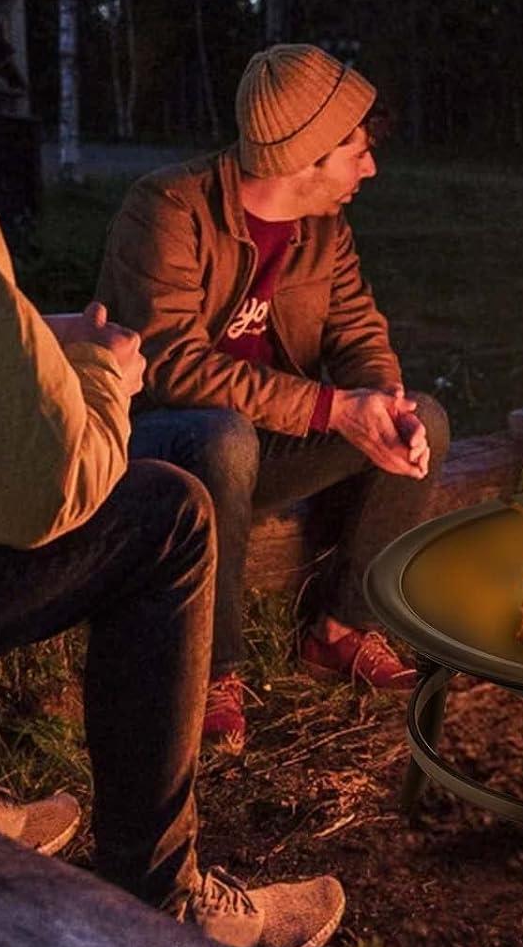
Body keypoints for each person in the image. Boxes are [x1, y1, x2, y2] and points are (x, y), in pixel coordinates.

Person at [0, 18, 344, 947]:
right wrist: (99, 380)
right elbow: (43, 483)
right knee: (166, 514)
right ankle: (161, 907)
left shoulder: (326, 233)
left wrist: (362, 400)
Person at [96, 44, 450, 752]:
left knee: (428, 423)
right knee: (224, 436)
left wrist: (381, 396)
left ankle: (342, 627)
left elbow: (357, 331)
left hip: (258, 445)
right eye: (356, 151)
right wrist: (331, 410)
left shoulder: (325, 230)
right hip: (157, 448)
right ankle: (208, 673)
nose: (370, 167)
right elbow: (171, 367)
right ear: (306, 156)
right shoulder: (169, 208)